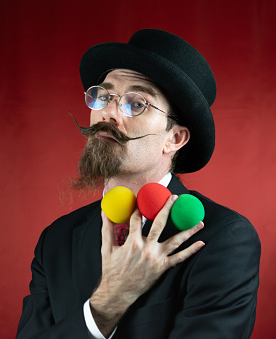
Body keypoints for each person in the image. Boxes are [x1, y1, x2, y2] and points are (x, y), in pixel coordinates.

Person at [16, 29, 261, 339]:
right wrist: (106, 305)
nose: (108, 113)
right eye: (103, 97)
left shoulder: (223, 239)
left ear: (174, 138)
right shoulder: (56, 241)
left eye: (137, 103)